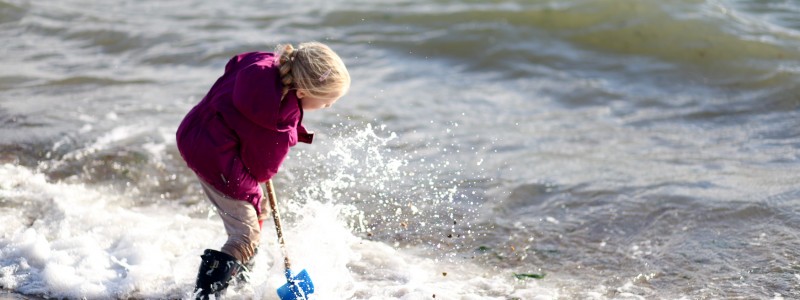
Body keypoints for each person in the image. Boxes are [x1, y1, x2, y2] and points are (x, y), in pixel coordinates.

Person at [175, 42, 350, 299]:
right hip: (215, 158)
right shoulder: (280, 120)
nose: (330, 106)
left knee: (259, 207)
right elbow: (260, 171)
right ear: (301, 92)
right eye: (327, 101)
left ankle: (241, 280)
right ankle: (206, 296)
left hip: (196, 131)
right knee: (245, 236)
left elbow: (233, 66)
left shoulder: (266, 63)